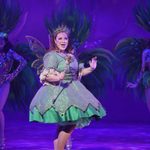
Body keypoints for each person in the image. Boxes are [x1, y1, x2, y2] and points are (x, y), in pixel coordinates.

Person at [29, 25, 106, 150]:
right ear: (55, 40)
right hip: (59, 91)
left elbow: (78, 73)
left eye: (65, 38)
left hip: (73, 88)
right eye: (60, 38)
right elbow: (46, 75)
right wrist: (58, 77)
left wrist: (91, 68)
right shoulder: (52, 56)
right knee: (70, 123)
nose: (63, 41)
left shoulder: (70, 55)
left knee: (63, 125)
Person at [0, 33, 26, 149]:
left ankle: (1, 139)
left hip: (4, 83)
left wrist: (13, 75)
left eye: (2, 40)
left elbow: (23, 62)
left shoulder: (9, 53)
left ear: (5, 41)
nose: (0, 42)